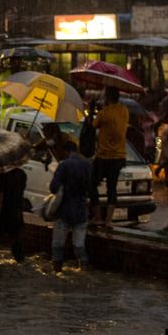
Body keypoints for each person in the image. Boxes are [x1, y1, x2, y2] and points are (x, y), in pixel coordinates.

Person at [49, 140, 92, 272]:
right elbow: (92, 188)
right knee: (79, 245)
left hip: (65, 211)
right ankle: (83, 269)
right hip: (81, 210)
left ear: (65, 151)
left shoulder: (64, 165)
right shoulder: (88, 165)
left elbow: (53, 187)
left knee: (57, 245)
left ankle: (57, 272)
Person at [90, 86, 129, 228]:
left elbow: (93, 125)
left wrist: (93, 108)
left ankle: (97, 216)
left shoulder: (104, 113)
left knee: (92, 184)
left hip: (103, 157)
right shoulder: (124, 110)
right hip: (119, 156)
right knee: (111, 188)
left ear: (107, 97)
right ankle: (109, 220)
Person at [0, 166, 27, 264]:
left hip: (3, 214)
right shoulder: (22, 174)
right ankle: (22, 265)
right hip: (16, 214)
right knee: (16, 244)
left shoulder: (1, 175)